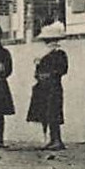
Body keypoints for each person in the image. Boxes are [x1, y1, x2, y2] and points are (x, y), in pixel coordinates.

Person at [27, 21, 69, 151]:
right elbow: (37, 72)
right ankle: (50, 139)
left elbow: (62, 69)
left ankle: (57, 139)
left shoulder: (59, 54)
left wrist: (50, 74)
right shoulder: (43, 54)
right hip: (43, 87)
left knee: (54, 113)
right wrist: (40, 75)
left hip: (53, 87)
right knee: (44, 113)